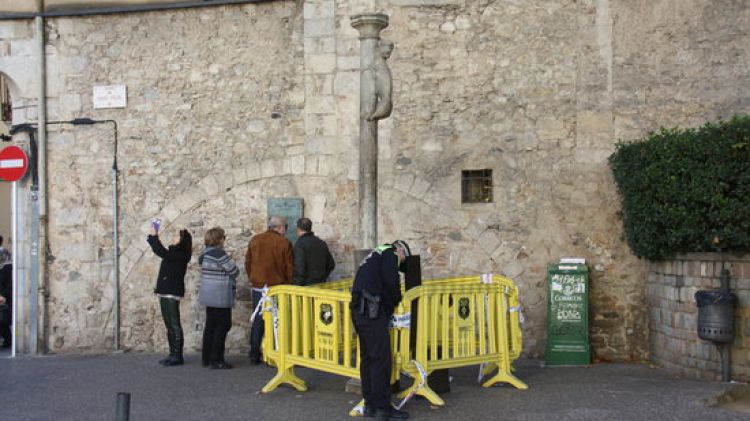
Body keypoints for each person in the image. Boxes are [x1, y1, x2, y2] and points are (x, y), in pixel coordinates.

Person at [351, 240, 411, 420]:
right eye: (403, 259)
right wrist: (396, 301)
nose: (400, 264)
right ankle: (382, 408)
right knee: (380, 359)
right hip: (371, 310)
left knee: (368, 358)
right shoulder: (391, 254)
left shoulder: (375, 255)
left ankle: (370, 404)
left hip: (359, 308)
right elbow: (392, 283)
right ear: (400, 250)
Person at [244, 215, 293, 364]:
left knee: (258, 320)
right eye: (285, 227)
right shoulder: (284, 243)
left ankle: (254, 352)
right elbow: (289, 267)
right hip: (277, 287)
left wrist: (253, 278)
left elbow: (248, 262)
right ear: (281, 228)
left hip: (258, 287)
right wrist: (288, 283)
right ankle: (274, 354)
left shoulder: (255, 240)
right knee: (276, 321)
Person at [147, 226, 192, 366]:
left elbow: (160, 251)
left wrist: (154, 236)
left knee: (174, 325)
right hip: (166, 292)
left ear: (182, 241)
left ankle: (177, 355)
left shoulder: (180, 255)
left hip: (171, 293)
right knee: (169, 325)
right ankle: (172, 353)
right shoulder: (174, 253)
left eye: (176, 237)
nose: (173, 238)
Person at [198, 227, 240, 369]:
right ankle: (217, 360)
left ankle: (207, 358)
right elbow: (234, 271)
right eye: (223, 237)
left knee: (210, 327)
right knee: (222, 327)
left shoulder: (204, 254)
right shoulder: (219, 254)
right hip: (221, 296)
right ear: (219, 239)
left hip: (209, 295)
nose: (224, 240)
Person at [293, 217, 335, 286]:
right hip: (321, 285)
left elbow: (300, 270)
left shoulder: (300, 244)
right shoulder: (321, 243)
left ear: (298, 229)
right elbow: (331, 264)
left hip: (306, 287)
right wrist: (322, 277)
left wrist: (297, 285)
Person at [0, 235, 12, 348]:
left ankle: (8, 340)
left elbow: (9, 282)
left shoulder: (7, 262)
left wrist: (3, 295)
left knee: (3, 318)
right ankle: (7, 340)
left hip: (3, 295)